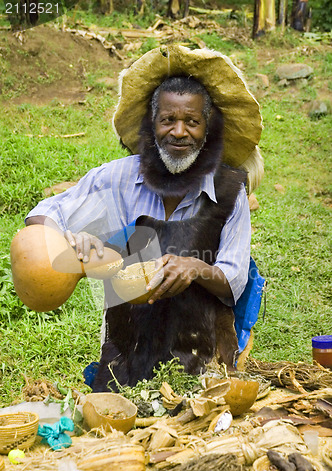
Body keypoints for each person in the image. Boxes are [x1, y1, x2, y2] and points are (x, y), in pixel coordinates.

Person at [25, 46, 264, 391]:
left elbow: (234, 278)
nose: (179, 132)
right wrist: (69, 240)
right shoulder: (116, 179)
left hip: (204, 368)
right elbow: (44, 214)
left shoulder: (229, 191)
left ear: (207, 130)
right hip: (126, 361)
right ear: (152, 126)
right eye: (168, 120)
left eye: (192, 122)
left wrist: (196, 268)